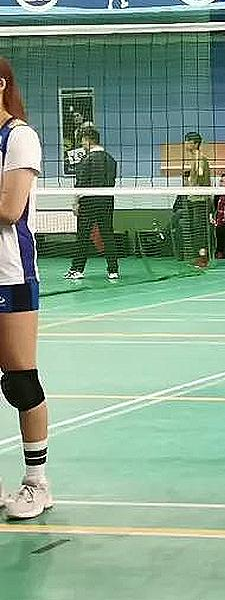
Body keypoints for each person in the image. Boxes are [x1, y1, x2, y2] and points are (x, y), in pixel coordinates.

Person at [0, 57, 51, 520]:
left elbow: (10, 208)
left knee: (20, 380)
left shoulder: (19, 137)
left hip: (10, 274)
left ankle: (37, 483)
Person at [67, 126, 120, 281]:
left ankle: (77, 270)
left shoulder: (86, 160)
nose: (82, 144)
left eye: (83, 141)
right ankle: (113, 270)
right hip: (106, 200)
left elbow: (80, 184)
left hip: (88, 201)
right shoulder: (111, 160)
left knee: (83, 236)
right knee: (108, 235)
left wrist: (75, 202)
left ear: (88, 140)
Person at [176, 131, 213, 265]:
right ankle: (199, 255)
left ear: (196, 144)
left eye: (188, 141)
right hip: (193, 198)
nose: (186, 144)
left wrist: (194, 177)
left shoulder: (199, 158)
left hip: (200, 199)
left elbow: (200, 174)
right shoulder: (193, 158)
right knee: (193, 229)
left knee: (200, 229)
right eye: (185, 141)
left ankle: (203, 257)